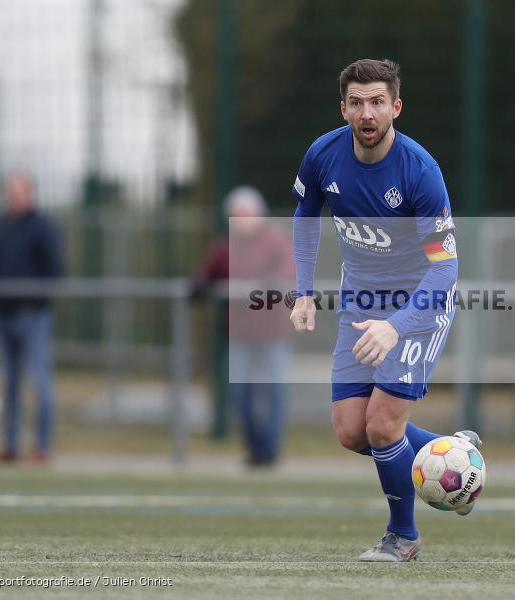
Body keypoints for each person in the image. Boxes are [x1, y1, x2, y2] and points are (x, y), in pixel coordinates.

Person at [289, 58, 479, 562]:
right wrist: (303, 290)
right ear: (344, 109)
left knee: (382, 427)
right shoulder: (323, 156)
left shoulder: (420, 172)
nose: (366, 113)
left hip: (420, 306)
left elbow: (445, 270)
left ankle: (403, 536)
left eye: (377, 101)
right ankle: (456, 453)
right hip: (359, 305)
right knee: (354, 431)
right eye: (356, 102)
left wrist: (397, 327)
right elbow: (306, 214)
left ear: (395, 106)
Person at [192, 186, 294, 467]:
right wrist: (199, 285)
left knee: (273, 393)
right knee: (240, 396)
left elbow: (287, 271)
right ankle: (256, 449)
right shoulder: (224, 247)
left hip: (272, 333)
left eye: (245, 215)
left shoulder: (275, 241)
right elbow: (206, 274)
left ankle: (271, 451)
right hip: (239, 335)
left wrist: (266, 287)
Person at [0, 174, 64, 463]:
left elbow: (55, 269)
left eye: (18, 192)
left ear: (30, 194)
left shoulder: (43, 227)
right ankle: (10, 445)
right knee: (9, 383)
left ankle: (42, 446)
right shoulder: (2, 227)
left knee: (40, 381)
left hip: (33, 317)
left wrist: (35, 302)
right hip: (4, 315)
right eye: (9, 192)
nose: (13, 197)